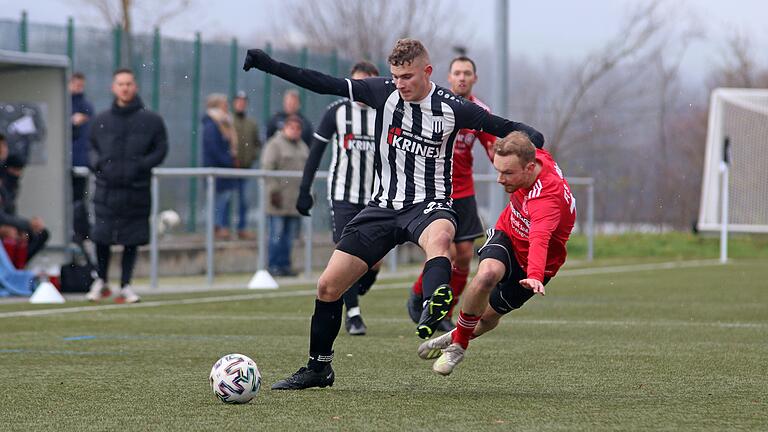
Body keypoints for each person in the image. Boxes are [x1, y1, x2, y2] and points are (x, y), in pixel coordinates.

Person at [243, 38, 544, 390]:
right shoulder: (380, 92)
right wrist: (270, 65)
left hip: (429, 204)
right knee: (328, 285)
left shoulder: (452, 107)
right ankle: (318, 368)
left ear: (427, 72)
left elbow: (503, 126)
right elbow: (323, 83)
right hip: (383, 207)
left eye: (408, 77)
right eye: (396, 76)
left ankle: (434, 300)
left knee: (441, 238)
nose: (400, 84)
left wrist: (536, 141)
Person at [417, 131, 576, 376]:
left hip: (537, 265)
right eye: (498, 170)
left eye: (508, 173)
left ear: (529, 167)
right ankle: (458, 346)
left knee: (488, 318)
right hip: (507, 235)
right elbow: (527, 137)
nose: (500, 179)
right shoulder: (535, 155)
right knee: (487, 275)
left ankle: (456, 334)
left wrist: (534, 274)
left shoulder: (546, 200)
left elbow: (539, 239)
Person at [407, 56, 497, 332]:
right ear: (448, 77)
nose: (462, 77)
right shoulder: (435, 103)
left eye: (467, 73)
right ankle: (420, 293)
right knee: (443, 248)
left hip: (463, 190)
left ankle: (444, 309)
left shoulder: (479, 111)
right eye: (457, 72)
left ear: (474, 79)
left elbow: (493, 146)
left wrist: (506, 164)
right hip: (434, 188)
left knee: (465, 253)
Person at [296, 61, 383, 336]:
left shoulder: (385, 113)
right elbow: (316, 151)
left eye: (365, 85)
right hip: (343, 194)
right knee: (347, 252)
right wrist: (304, 189)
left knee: (374, 261)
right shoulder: (336, 112)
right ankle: (354, 315)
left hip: (376, 196)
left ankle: (356, 286)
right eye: (356, 84)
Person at [86, 68, 168, 303]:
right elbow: (90, 148)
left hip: (136, 190)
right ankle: (101, 281)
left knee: (131, 239)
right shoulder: (101, 120)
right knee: (102, 236)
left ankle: (126, 285)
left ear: (136, 87)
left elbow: (161, 149)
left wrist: (140, 167)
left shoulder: (151, 120)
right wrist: (99, 165)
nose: (125, 88)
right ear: (113, 87)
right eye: (120, 84)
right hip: (106, 190)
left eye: (129, 84)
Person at [262, 115, 309, 276]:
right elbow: (267, 168)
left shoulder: (302, 147)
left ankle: (285, 265)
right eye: (292, 127)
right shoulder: (275, 144)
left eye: (298, 128)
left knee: (290, 238)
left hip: (295, 200)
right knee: (276, 235)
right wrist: (274, 191)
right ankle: (273, 265)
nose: (295, 131)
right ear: (284, 128)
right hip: (279, 199)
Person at [0, 133, 49, 265]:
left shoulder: (10, 182)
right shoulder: (5, 179)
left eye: (5, 145)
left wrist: (23, 226)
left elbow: (9, 210)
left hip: (6, 221)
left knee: (36, 234)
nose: (4, 149)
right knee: (15, 234)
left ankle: (16, 270)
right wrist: (26, 225)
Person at [202, 93, 239, 240]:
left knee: (223, 199)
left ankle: (220, 227)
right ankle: (216, 228)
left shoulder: (224, 123)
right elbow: (213, 149)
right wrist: (228, 161)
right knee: (218, 200)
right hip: (216, 169)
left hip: (223, 170)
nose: (227, 107)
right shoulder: (212, 125)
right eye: (224, 104)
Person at [231, 90, 262, 240]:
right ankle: (223, 228)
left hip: (245, 169)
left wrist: (252, 157)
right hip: (229, 169)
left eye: (243, 102)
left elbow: (257, 143)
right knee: (226, 199)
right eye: (238, 101)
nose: (241, 104)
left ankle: (241, 228)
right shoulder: (228, 121)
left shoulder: (252, 123)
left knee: (244, 200)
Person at [69, 72, 94, 203]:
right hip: (66, 160)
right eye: (76, 84)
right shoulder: (63, 104)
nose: (78, 88)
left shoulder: (86, 107)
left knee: (78, 199)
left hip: (80, 161)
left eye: (81, 85)